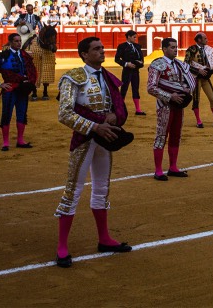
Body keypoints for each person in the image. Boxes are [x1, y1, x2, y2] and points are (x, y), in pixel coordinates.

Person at [54, 37, 131, 268]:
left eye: (102, 48)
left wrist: (114, 117)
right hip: (85, 138)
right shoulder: (72, 77)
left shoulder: (108, 76)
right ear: (84, 55)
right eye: (96, 49)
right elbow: (64, 113)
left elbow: (117, 107)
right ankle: (62, 246)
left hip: (105, 138)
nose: (102, 51)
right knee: (73, 191)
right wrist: (95, 126)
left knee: (101, 189)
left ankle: (104, 238)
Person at [146, 37, 196, 179]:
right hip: (165, 105)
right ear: (164, 49)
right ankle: (158, 170)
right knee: (161, 135)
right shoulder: (157, 64)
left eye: (176, 47)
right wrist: (169, 96)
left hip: (179, 105)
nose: (175, 50)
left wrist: (185, 90)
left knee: (176, 135)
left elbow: (186, 82)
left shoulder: (180, 65)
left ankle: (173, 167)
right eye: (172, 47)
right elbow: (151, 88)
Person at [0, 33, 37, 151]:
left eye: (20, 41)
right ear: (10, 42)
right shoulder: (3, 56)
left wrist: (29, 82)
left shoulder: (24, 55)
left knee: (22, 113)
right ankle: (5, 143)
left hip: (23, 89)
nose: (19, 43)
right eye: (16, 41)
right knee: (6, 114)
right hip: (10, 89)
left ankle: (20, 140)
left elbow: (31, 71)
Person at [184, 32, 213, 128]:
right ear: (199, 40)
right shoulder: (191, 49)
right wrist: (198, 71)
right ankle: (198, 121)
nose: (207, 40)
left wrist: (210, 70)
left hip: (205, 78)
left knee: (212, 98)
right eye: (205, 38)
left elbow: (210, 63)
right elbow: (185, 65)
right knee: (196, 99)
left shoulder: (207, 49)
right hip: (196, 78)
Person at [114, 30, 146, 116]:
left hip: (135, 70)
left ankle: (138, 110)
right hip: (127, 71)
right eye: (134, 37)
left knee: (136, 89)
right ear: (128, 37)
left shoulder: (137, 46)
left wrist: (141, 63)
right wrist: (126, 64)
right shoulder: (122, 46)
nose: (135, 39)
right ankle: (120, 109)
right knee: (124, 89)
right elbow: (117, 59)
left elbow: (141, 57)